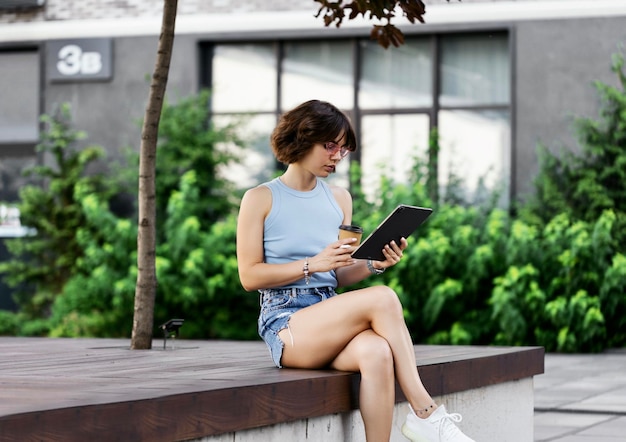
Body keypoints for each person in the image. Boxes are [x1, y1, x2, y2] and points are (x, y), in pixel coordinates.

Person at [236, 99, 475, 442]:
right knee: (383, 298)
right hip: (285, 322)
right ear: (302, 139)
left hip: (328, 313)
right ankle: (426, 412)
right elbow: (249, 276)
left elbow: (340, 274)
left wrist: (373, 264)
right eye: (329, 146)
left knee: (377, 353)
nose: (336, 156)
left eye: (343, 149)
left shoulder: (339, 198)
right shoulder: (260, 198)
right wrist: (311, 264)